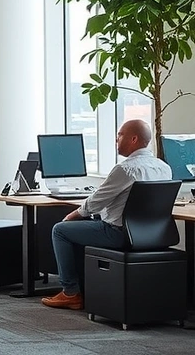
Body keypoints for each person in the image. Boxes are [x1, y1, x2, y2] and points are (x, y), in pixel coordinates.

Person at [41, 118, 171, 310]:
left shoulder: (125, 169)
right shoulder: (164, 168)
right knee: (89, 222)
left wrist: (72, 215)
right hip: (152, 236)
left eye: (120, 135)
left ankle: (71, 293)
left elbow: (96, 201)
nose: (116, 139)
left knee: (60, 230)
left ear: (134, 139)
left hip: (118, 234)